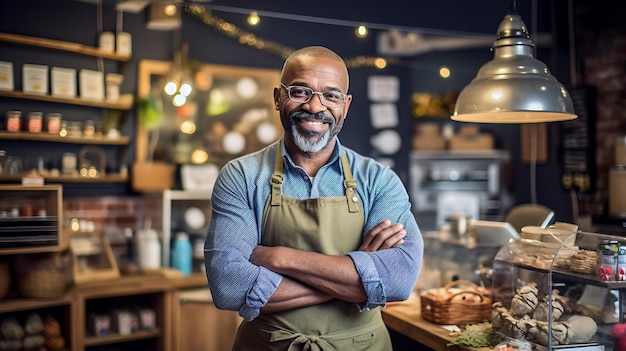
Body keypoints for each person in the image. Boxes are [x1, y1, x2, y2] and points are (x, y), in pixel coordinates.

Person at [204, 45, 423, 351]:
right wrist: (359, 281)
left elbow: (399, 280)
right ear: (278, 97)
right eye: (300, 91)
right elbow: (229, 285)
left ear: (345, 106)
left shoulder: (378, 180)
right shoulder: (241, 176)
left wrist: (281, 258)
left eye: (331, 95)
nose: (315, 107)